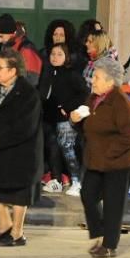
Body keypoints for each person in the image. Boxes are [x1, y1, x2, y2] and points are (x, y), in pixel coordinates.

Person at [70, 56, 130, 258]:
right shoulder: (93, 99)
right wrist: (75, 120)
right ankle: (99, 231)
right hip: (96, 159)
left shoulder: (121, 103)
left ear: (110, 82)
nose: (93, 81)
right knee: (88, 194)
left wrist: (109, 153)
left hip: (118, 161)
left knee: (113, 203)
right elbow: (87, 126)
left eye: (98, 78)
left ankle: (109, 244)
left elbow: (129, 135)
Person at [0, 49, 42, 247]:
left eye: (0, 67)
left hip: (21, 151)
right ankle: (4, 227)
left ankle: (17, 233)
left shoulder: (28, 94)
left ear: (13, 70)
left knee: (18, 193)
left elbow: (25, 127)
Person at [38, 43, 88, 197]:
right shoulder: (48, 73)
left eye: (59, 54)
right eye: (53, 54)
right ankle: (56, 180)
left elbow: (84, 93)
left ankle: (77, 181)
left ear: (66, 56)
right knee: (54, 149)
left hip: (65, 121)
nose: (55, 57)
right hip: (50, 119)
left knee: (69, 150)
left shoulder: (71, 74)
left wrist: (66, 107)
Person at [0, 13, 42, 85]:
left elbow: (32, 80)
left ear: (11, 32)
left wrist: (6, 81)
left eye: (1, 36)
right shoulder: (6, 46)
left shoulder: (26, 49)